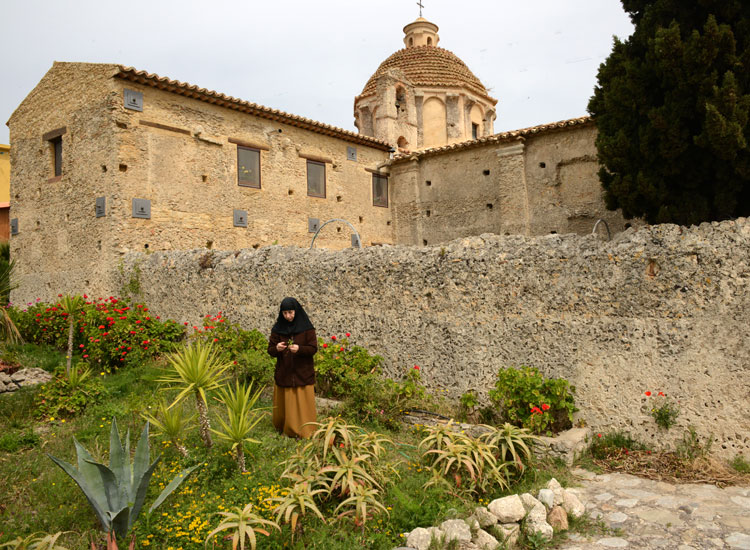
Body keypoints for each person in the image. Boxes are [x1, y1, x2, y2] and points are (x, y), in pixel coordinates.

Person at [267, 297, 318, 438]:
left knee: (302, 404)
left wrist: (300, 349)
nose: (288, 316)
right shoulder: (278, 329)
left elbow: (313, 348)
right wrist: (277, 348)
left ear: (296, 311)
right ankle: (286, 428)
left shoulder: (307, 329)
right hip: (285, 373)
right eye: (285, 313)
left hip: (303, 373)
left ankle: (305, 431)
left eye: (290, 312)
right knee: (286, 404)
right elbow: (270, 350)